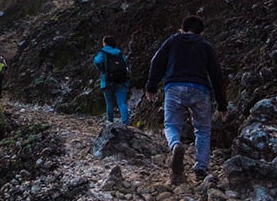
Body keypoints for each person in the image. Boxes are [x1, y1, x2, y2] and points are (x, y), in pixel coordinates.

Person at [145, 15, 228, 184]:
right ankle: (200, 169)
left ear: (181, 30)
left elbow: (157, 61)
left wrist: (151, 86)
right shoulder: (205, 46)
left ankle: (175, 144)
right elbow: (216, 75)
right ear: (202, 33)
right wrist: (222, 104)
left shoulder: (173, 41)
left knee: (171, 125)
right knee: (203, 130)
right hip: (200, 89)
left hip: (174, 87)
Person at [94, 36, 130, 125]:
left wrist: (102, 70)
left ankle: (110, 123)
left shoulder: (103, 52)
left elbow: (97, 61)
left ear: (105, 43)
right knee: (122, 103)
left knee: (110, 103)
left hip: (107, 80)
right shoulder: (119, 53)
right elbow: (125, 64)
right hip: (121, 81)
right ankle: (126, 124)